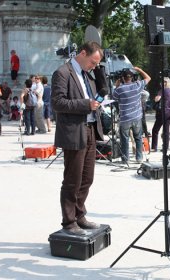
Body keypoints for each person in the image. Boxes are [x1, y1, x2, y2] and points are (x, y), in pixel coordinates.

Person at [51, 41, 105, 236]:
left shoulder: (88, 74)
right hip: (74, 131)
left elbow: (100, 92)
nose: (94, 66)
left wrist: (99, 74)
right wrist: (85, 104)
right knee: (72, 179)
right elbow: (57, 102)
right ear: (82, 53)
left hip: (90, 129)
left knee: (87, 178)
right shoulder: (63, 73)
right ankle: (69, 221)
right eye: (93, 62)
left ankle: (79, 214)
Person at [112, 67, 151, 163]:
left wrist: (116, 86)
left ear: (122, 78)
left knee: (124, 139)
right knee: (138, 138)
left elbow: (113, 97)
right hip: (137, 117)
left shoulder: (120, 89)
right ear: (132, 77)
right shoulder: (137, 85)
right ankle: (139, 158)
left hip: (125, 118)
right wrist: (140, 70)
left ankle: (125, 159)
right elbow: (148, 78)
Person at [151, 77, 170, 152]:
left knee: (155, 130)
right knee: (166, 131)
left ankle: (154, 147)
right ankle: (165, 147)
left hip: (161, 113)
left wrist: (155, 97)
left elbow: (157, 99)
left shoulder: (162, 91)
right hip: (169, 113)